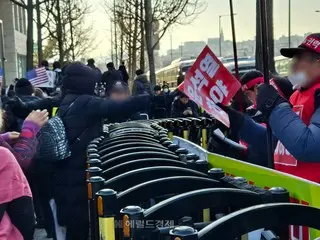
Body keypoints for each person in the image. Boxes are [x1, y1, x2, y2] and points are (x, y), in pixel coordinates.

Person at [8, 62, 150, 239]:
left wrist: (14, 103)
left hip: (59, 176)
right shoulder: (86, 102)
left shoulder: (64, 101)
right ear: (87, 83)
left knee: (67, 226)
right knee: (80, 225)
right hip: (79, 176)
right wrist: (146, 98)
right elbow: (117, 108)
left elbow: (34, 105)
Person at [223, 33, 320, 182]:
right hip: (292, 196)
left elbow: (309, 147)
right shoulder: (296, 95)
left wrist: (275, 106)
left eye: (301, 58)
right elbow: (279, 141)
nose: (294, 65)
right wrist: (240, 124)